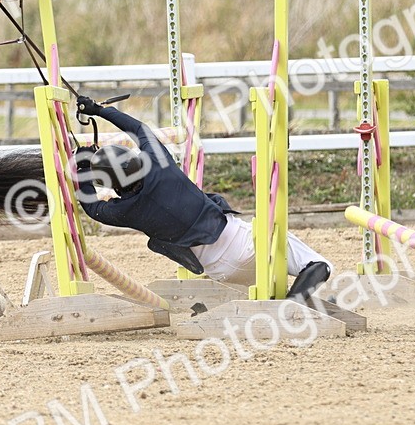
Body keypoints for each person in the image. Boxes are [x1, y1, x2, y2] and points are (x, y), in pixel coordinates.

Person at [72, 95, 332, 303]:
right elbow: (138, 129)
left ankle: (288, 300)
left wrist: (82, 166)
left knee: (267, 272)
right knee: (320, 265)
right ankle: (291, 306)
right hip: (245, 246)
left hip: (220, 272)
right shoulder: (159, 164)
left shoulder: (125, 210)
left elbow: (93, 208)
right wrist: (99, 110)